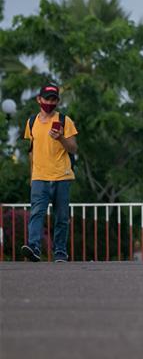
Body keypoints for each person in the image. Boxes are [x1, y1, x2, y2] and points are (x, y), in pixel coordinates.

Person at [21, 84, 78, 263]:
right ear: (39, 99)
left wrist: (60, 137)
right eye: (47, 99)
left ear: (57, 101)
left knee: (61, 216)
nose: (50, 102)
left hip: (62, 176)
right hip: (39, 176)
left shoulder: (64, 120)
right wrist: (32, 175)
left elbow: (74, 148)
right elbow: (31, 150)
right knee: (37, 212)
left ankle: (60, 251)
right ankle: (34, 247)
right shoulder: (31, 122)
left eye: (54, 99)